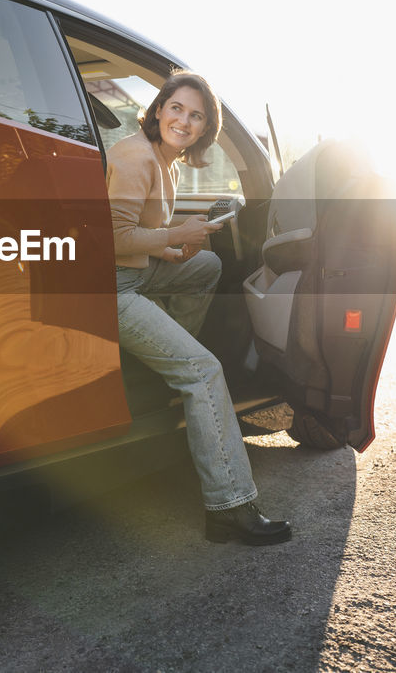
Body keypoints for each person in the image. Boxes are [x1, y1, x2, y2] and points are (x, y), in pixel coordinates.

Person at [106, 69, 290, 546]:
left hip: (136, 270)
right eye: (176, 109)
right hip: (110, 288)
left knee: (205, 265)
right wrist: (173, 236)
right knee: (204, 371)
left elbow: (138, 241)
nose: (183, 121)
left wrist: (174, 250)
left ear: (205, 129)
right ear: (158, 109)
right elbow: (109, 239)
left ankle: (166, 362)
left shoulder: (166, 162)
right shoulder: (133, 156)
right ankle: (229, 506)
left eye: (196, 116)